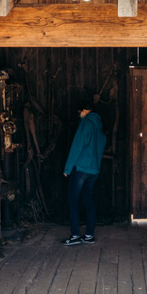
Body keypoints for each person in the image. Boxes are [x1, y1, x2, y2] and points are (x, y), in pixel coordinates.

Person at [62, 98, 106, 246]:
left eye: (80, 112)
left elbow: (77, 146)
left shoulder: (86, 123)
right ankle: (89, 235)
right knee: (89, 201)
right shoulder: (99, 125)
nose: (79, 114)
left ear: (86, 110)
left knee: (73, 200)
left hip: (81, 168)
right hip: (94, 170)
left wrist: (67, 168)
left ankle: (75, 235)